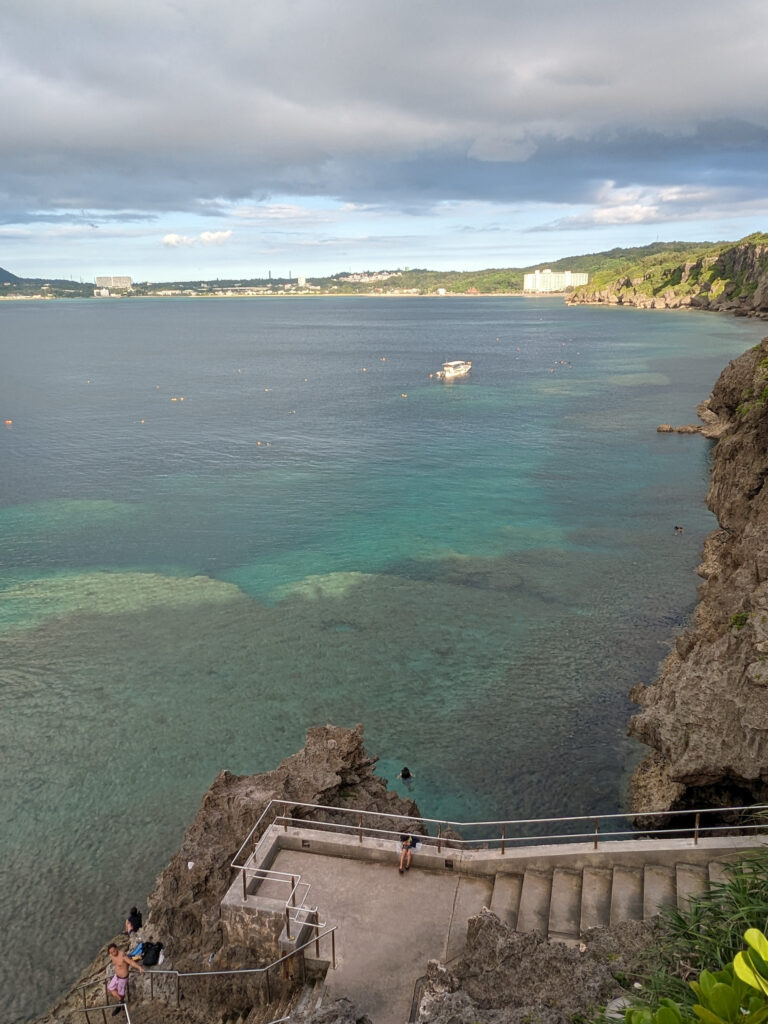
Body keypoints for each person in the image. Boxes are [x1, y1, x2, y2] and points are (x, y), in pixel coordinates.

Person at [107, 943, 145, 1016]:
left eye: (114, 951)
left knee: (121, 994)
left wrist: (139, 967)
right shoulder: (111, 955)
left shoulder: (123, 956)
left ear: (117, 948)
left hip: (123, 978)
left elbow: (131, 962)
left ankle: (120, 1003)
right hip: (116, 976)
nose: (113, 953)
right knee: (110, 988)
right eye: (111, 952)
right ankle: (121, 1002)